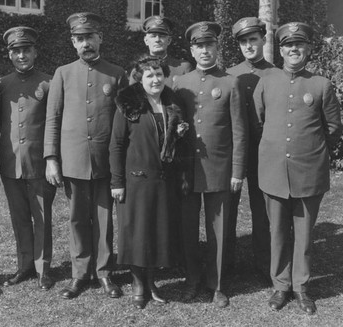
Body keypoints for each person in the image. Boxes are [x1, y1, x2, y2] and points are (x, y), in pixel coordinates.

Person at [252, 22, 342, 315]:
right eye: (288, 45)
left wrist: (311, 150)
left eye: (299, 45)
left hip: (308, 170)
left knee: (303, 235)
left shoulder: (321, 85)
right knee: (276, 232)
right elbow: (259, 119)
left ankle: (301, 288)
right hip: (273, 170)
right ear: (280, 50)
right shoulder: (266, 81)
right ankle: (280, 285)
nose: (294, 50)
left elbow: (333, 128)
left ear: (308, 49)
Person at [44, 12, 127, 300]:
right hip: (73, 159)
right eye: (79, 39)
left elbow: (125, 121)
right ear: (73, 42)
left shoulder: (116, 74)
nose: (85, 44)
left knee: (104, 219)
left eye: (89, 37)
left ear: (99, 38)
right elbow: (53, 119)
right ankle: (79, 274)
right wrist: (51, 158)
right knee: (78, 218)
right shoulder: (63, 73)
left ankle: (104, 273)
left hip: (105, 160)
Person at [173, 21, 248, 307]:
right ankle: (192, 279)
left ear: (217, 47)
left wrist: (237, 171)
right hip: (188, 168)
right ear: (192, 50)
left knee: (218, 228)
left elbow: (239, 131)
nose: (204, 51)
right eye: (199, 46)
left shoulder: (230, 82)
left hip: (219, 168)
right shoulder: (181, 83)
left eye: (209, 45)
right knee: (188, 228)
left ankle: (216, 284)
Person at [110, 56, 188, 309]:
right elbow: (117, 145)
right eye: (149, 76)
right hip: (136, 181)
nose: (155, 80)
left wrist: (178, 133)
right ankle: (137, 284)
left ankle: (152, 280)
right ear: (140, 79)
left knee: (157, 232)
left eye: (159, 75)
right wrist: (117, 182)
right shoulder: (128, 104)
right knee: (137, 233)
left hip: (163, 179)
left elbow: (171, 142)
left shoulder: (172, 102)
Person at [0, 26, 56, 291]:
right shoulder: (2, 84)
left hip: (39, 164)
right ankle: (24, 266)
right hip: (11, 164)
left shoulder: (49, 82)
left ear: (35, 52)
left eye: (26, 50)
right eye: (16, 51)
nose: (22, 55)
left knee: (42, 217)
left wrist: (52, 159)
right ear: (10, 55)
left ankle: (43, 268)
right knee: (19, 216)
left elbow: (56, 124)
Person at [224, 17, 273, 278]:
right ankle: (226, 263)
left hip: (263, 152)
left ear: (263, 39)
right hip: (232, 152)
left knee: (262, 210)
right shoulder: (230, 74)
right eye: (243, 41)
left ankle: (264, 265)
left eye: (253, 39)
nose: (248, 45)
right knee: (227, 209)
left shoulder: (275, 74)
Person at [129, 16, 193, 85]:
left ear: (169, 40)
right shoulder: (138, 70)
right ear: (146, 41)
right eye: (153, 36)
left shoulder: (183, 68)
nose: (157, 40)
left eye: (162, 36)